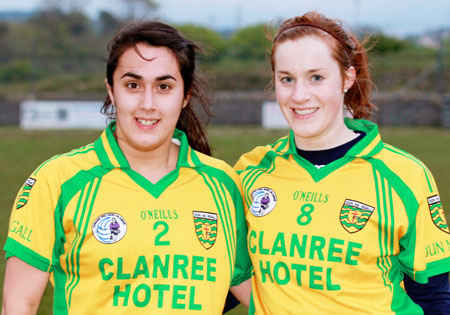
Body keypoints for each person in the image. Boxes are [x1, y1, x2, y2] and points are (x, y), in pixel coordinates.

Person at [3, 20, 251, 314]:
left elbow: (268, 299)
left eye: (164, 86)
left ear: (185, 95)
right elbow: (19, 305)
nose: (147, 103)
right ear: (111, 89)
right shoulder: (57, 180)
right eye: (133, 85)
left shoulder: (223, 184)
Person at [234, 11, 450, 314]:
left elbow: (435, 298)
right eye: (287, 79)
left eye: (316, 78)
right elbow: (220, 278)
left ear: (347, 77)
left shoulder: (404, 175)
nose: (299, 95)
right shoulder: (250, 171)